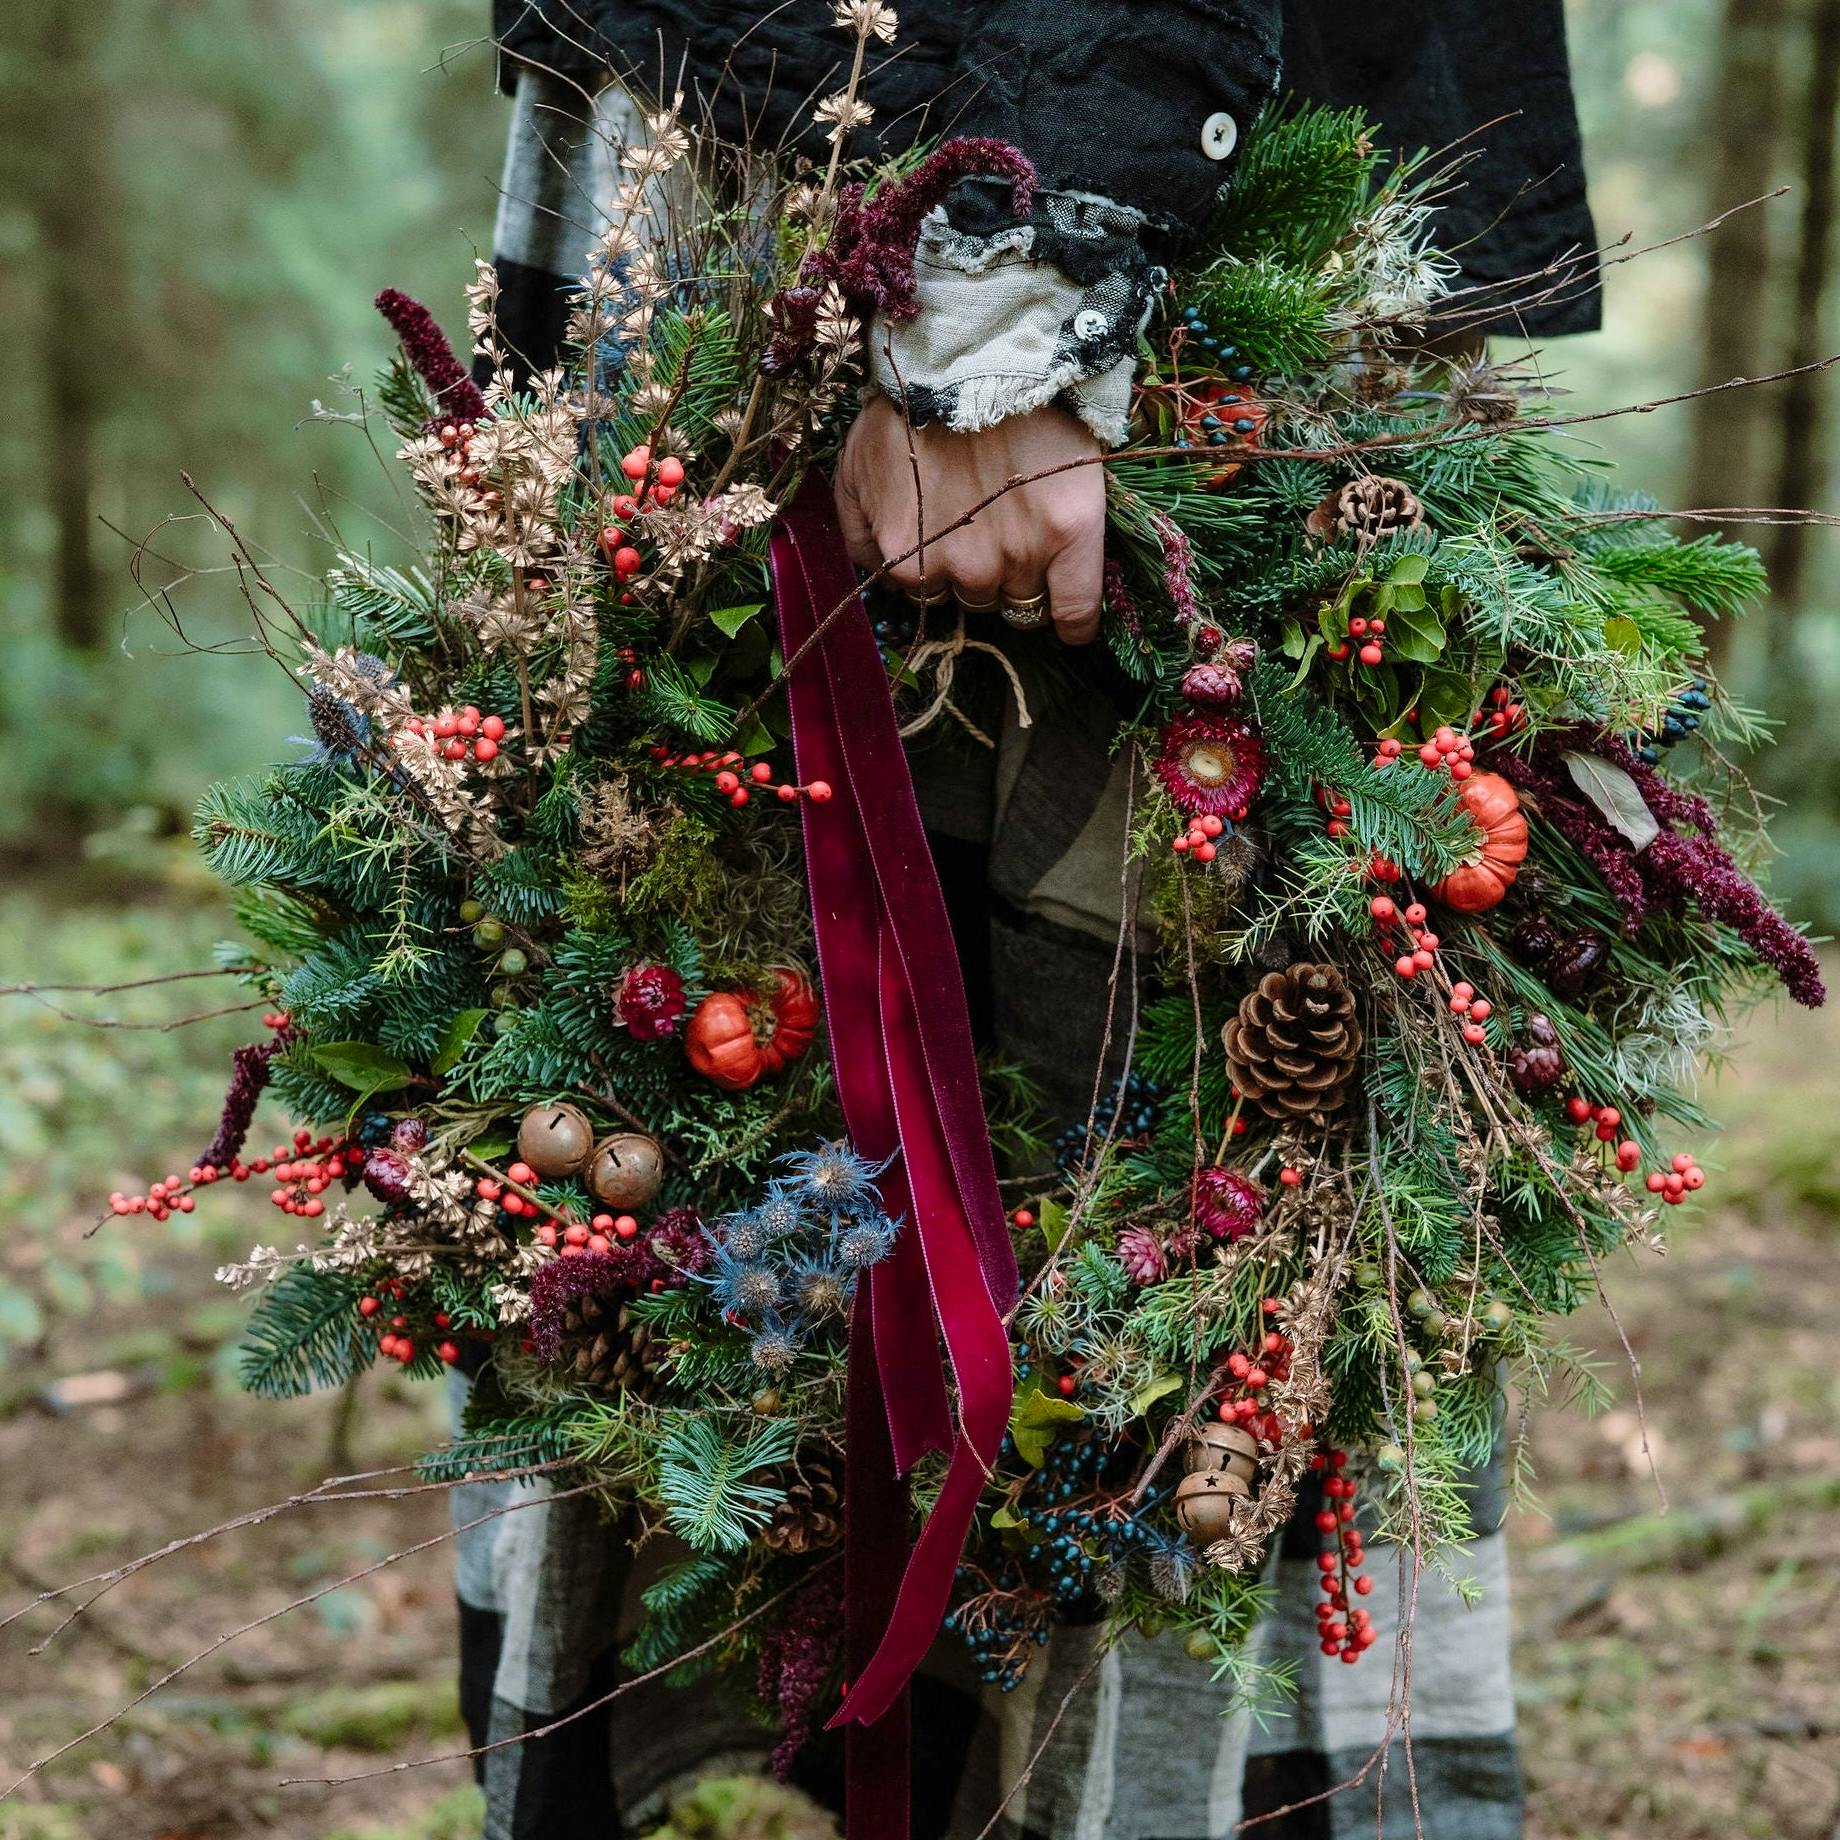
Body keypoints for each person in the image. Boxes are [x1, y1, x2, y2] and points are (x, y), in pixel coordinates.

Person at [455, 5, 1598, 1834]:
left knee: (1196, 1194)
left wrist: (998, 299)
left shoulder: (1002, 292)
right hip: (803, 104)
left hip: (1045, 183)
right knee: (689, 1170)